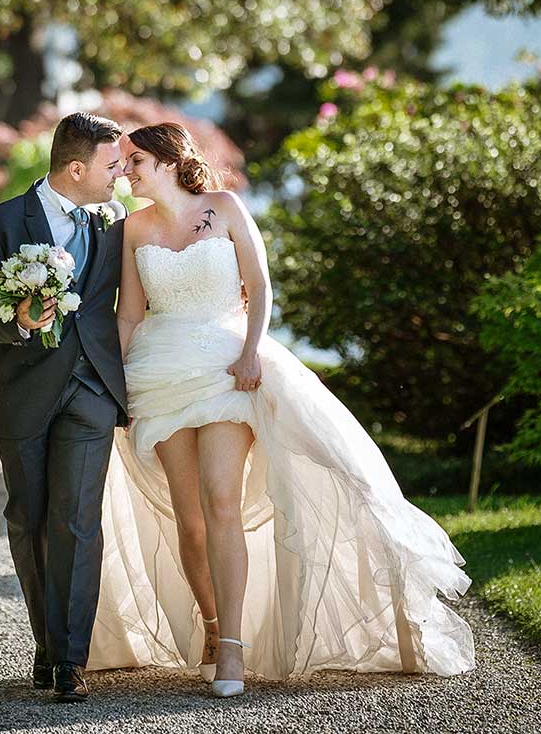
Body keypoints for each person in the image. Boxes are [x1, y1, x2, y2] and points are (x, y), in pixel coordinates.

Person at [86, 122, 476, 696]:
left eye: (136, 159)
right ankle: (214, 628)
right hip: (159, 377)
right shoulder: (133, 228)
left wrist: (250, 353)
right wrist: (114, 387)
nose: (127, 170)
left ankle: (235, 653)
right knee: (188, 517)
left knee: (222, 501)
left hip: (227, 370)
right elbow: (129, 315)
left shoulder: (224, 207)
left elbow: (260, 286)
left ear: (168, 161)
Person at [0, 112, 129, 703]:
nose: (120, 175)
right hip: (24, 390)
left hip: (93, 389)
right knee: (29, 520)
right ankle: (48, 643)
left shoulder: (116, 221)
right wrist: (18, 320)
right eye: (111, 166)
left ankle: (70, 661)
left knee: (77, 521)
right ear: (76, 169)